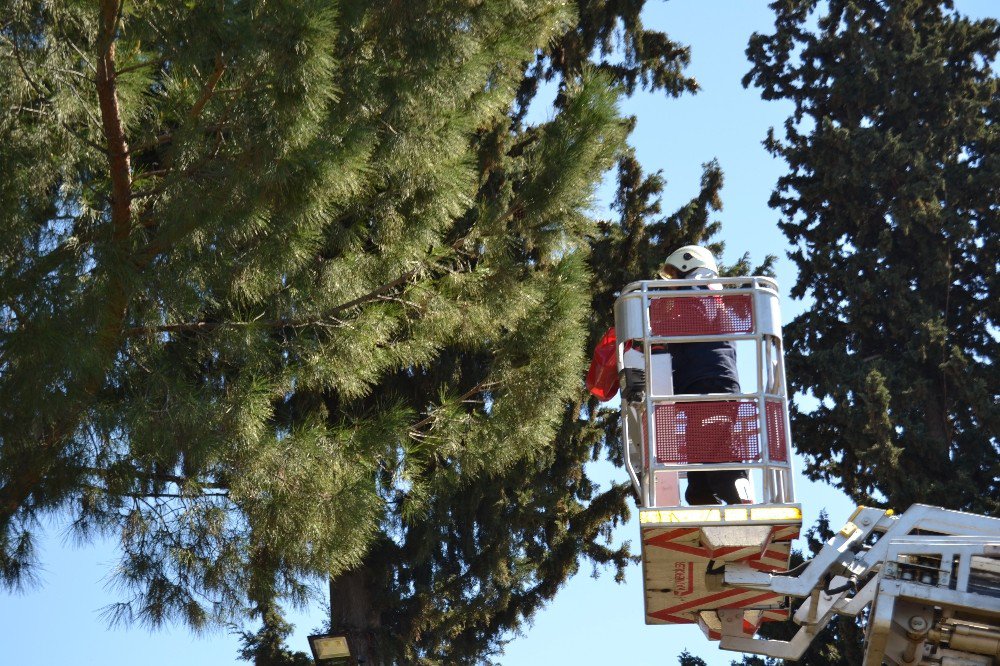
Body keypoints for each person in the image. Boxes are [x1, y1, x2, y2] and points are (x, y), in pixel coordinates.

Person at [658, 245, 749, 506]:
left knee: (718, 450)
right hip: (700, 382)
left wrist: (657, 324)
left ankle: (739, 497)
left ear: (690, 270)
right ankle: (700, 495)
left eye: (676, 277)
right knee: (699, 453)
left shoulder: (700, 293)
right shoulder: (705, 298)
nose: (672, 285)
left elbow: (691, 318)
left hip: (711, 382)